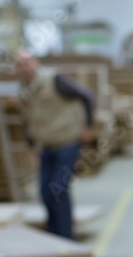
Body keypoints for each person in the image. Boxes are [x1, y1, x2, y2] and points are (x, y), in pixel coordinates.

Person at [14, 51, 95, 240]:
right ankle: (52, 235)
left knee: (59, 190)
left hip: (67, 143)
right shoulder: (24, 90)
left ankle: (66, 237)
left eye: (26, 62)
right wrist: (30, 145)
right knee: (44, 192)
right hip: (46, 146)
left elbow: (87, 96)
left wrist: (88, 126)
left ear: (35, 63)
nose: (23, 67)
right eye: (18, 64)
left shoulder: (55, 80)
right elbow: (28, 120)